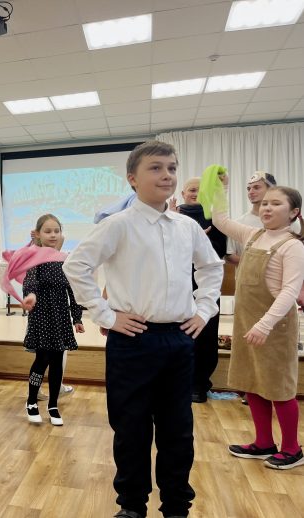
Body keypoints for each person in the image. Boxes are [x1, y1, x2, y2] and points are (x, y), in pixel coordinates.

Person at [63, 141, 224, 518]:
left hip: (179, 339)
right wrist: (106, 315)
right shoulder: (117, 225)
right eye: (156, 168)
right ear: (132, 179)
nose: (167, 175)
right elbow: (76, 267)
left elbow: (212, 268)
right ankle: (132, 506)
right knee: (131, 428)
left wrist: (204, 310)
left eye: (172, 168)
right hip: (132, 340)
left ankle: (176, 506)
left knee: (178, 430)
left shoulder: (187, 227)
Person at [207, 175, 304, 470]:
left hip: (276, 326)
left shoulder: (293, 246)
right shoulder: (252, 235)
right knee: (251, 382)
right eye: (265, 204)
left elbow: (289, 291)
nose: (267, 208)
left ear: (294, 212)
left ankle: (293, 449)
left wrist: (265, 325)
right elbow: (220, 220)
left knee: (279, 387)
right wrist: (222, 188)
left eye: (276, 204)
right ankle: (263, 443)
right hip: (247, 321)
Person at [20, 215, 85, 425]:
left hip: (60, 316)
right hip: (42, 315)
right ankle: (31, 401)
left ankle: (53, 404)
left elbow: (72, 290)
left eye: (56, 231)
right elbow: (30, 281)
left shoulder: (64, 259)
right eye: (48, 231)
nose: (53, 235)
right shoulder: (35, 257)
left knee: (57, 362)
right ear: (38, 234)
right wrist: (30, 295)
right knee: (42, 360)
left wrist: (77, 317)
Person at [177, 177, 227, 403]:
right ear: (183, 193)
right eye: (191, 189)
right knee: (179, 334)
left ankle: (199, 384)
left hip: (205, 288)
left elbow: (219, 253)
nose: (195, 193)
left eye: (200, 190)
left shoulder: (215, 219)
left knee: (205, 336)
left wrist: (201, 242)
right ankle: (178, 383)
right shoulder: (172, 216)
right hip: (178, 286)